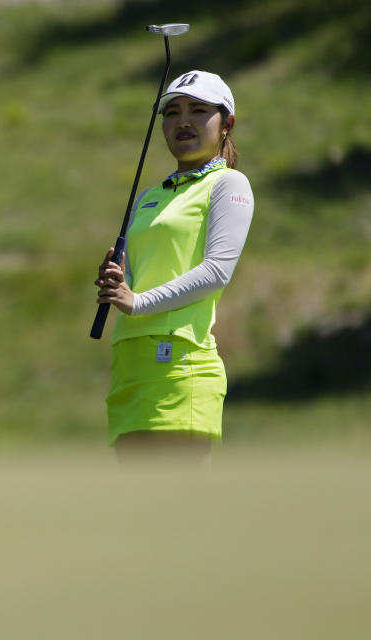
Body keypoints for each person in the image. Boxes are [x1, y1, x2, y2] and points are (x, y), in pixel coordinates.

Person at [95, 70, 254, 466]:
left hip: (181, 366)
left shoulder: (228, 185)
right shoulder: (149, 197)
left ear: (226, 124)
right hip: (131, 369)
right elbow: (135, 278)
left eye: (198, 111)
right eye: (172, 112)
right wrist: (118, 280)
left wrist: (138, 301)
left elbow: (217, 270)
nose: (183, 121)